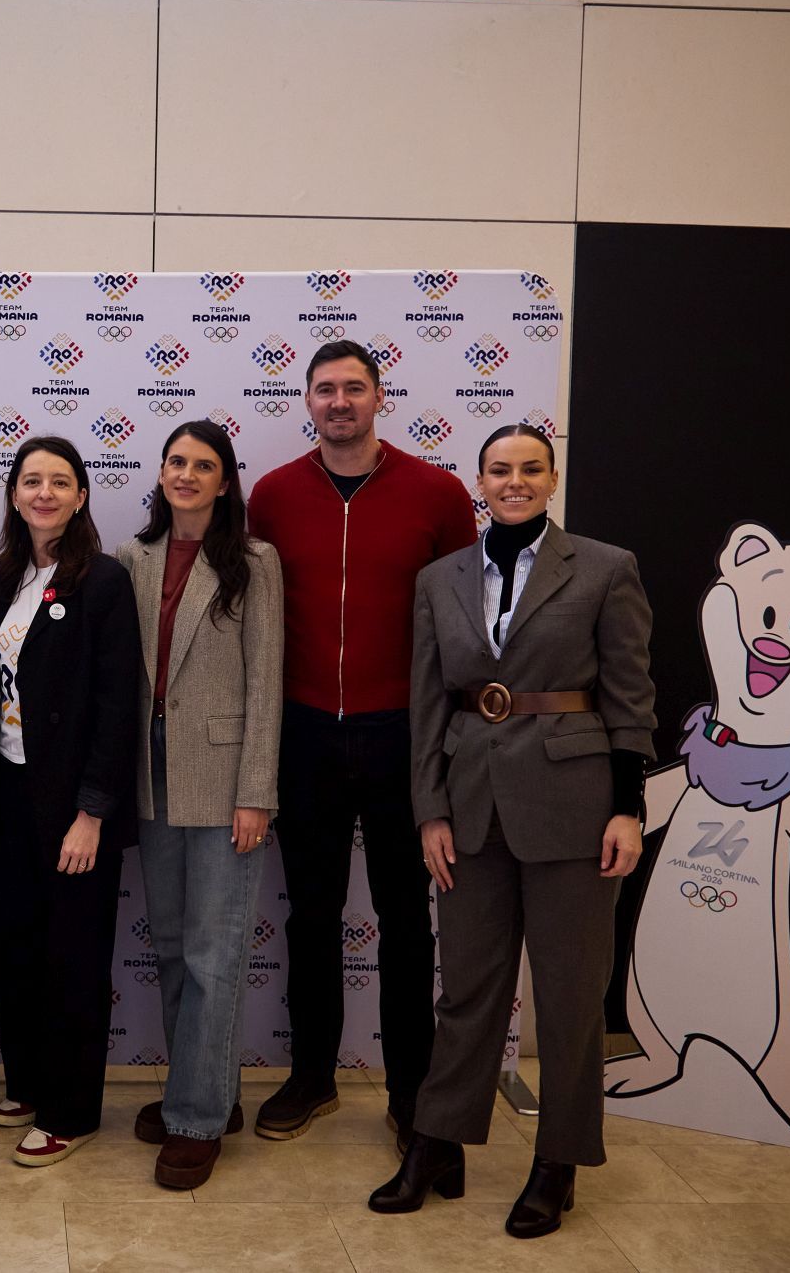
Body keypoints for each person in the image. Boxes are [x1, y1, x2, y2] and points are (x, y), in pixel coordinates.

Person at [370, 423, 654, 1239]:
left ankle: (558, 1160)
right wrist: (429, 809)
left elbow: (631, 695)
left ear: (552, 478)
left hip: (575, 807)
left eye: (531, 468)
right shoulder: (440, 579)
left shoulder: (605, 568)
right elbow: (429, 704)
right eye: (500, 469)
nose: (515, 481)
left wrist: (628, 806)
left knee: (569, 996)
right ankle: (435, 1143)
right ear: (480, 481)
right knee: (466, 990)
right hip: (471, 806)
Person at [245, 339, 477, 1147]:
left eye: (353, 387)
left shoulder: (438, 492)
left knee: (406, 920)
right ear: (307, 401)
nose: (338, 401)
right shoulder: (272, 494)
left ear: (381, 396)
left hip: (402, 733)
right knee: (309, 915)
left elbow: (463, 623)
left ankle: (411, 1092)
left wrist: (449, 739)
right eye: (324, 389)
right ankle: (311, 1076)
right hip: (303, 730)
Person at [117, 421, 283, 1189]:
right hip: (151, 770)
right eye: (176, 461)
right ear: (161, 473)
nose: (186, 474)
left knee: (215, 953)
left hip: (223, 777)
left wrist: (256, 794)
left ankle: (194, 1116)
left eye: (203, 464)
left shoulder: (254, 560)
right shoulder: (133, 556)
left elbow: (265, 680)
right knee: (174, 945)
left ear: (224, 481)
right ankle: (209, 1089)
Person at [0, 435, 140, 1166]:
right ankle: (28, 1082)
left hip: (73, 804)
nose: (44, 492)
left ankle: (71, 1110)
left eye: (59, 481)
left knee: (73, 956)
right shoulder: (4, 577)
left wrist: (92, 811)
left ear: (80, 496)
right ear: (15, 494)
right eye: (31, 480)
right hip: (9, 791)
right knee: (14, 945)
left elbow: (116, 705)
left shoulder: (102, 581)